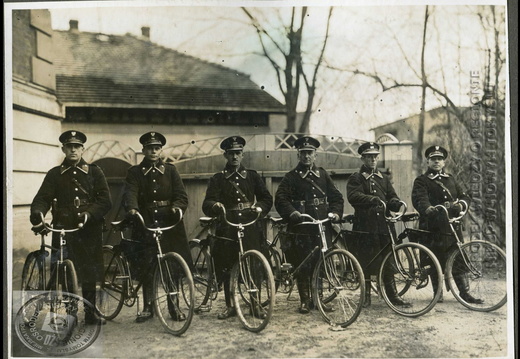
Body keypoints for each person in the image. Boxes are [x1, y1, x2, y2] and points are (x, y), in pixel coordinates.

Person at [30, 130, 112, 324]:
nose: (73, 150)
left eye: (77, 146)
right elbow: (42, 199)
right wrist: (37, 214)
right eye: (69, 146)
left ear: (83, 149)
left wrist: (89, 214)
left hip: (88, 228)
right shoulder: (54, 174)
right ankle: (70, 313)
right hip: (63, 227)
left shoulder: (94, 172)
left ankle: (91, 313)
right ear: (63, 149)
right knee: (65, 272)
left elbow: (105, 200)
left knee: (90, 272)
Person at [123, 131, 193, 323]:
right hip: (145, 222)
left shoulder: (171, 171)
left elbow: (181, 195)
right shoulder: (135, 172)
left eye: (156, 148)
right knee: (147, 264)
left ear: (161, 150)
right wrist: (133, 210)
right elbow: (131, 193)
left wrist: (177, 208)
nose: (153, 151)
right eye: (149, 148)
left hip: (169, 223)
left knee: (172, 266)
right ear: (143, 150)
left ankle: (174, 306)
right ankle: (148, 307)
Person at [202, 136, 273, 320]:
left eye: (238, 153)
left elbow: (266, 198)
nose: (235, 157)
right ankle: (230, 305)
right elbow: (207, 202)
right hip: (228, 225)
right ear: (225, 155)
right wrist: (216, 206)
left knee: (254, 263)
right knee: (227, 265)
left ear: (242, 155)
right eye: (231, 153)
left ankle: (255, 304)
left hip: (249, 224)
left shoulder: (252, 176)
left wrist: (259, 208)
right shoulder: (218, 179)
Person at [275, 136, 344, 314]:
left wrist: (335, 213)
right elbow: (281, 199)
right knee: (303, 262)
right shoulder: (291, 177)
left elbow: (336, 197)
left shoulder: (323, 175)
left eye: (310, 153)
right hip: (302, 227)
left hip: (322, 225)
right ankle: (305, 300)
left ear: (315, 155)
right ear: (298, 154)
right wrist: (292, 213)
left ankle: (319, 299)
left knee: (321, 261)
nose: (307, 157)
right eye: (303, 153)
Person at [411, 145, 482, 304]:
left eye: (440, 159)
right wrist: (428, 208)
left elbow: (464, 196)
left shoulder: (450, 179)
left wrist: (461, 205)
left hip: (452, 226)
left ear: (444, 162)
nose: (437, 162)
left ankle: (464, 293)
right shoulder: (422, 181)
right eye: (433, 159)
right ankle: (438, 294)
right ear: (428, 161)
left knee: (457, 257)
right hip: (433, 226)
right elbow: (419, 199)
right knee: (434, 259)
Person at [346, 141, 410, 307]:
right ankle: (365, 297)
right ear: (363, 158)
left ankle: (393, 295)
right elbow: (353, 196)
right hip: (365, 226)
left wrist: (396, 203)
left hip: (384, 226)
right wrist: (372, 199)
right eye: (369, 157)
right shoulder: (356, 178)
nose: (373, 160)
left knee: (388, 259)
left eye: (375, 156)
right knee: (365, 260)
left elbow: (391, 197)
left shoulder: (384, 178)